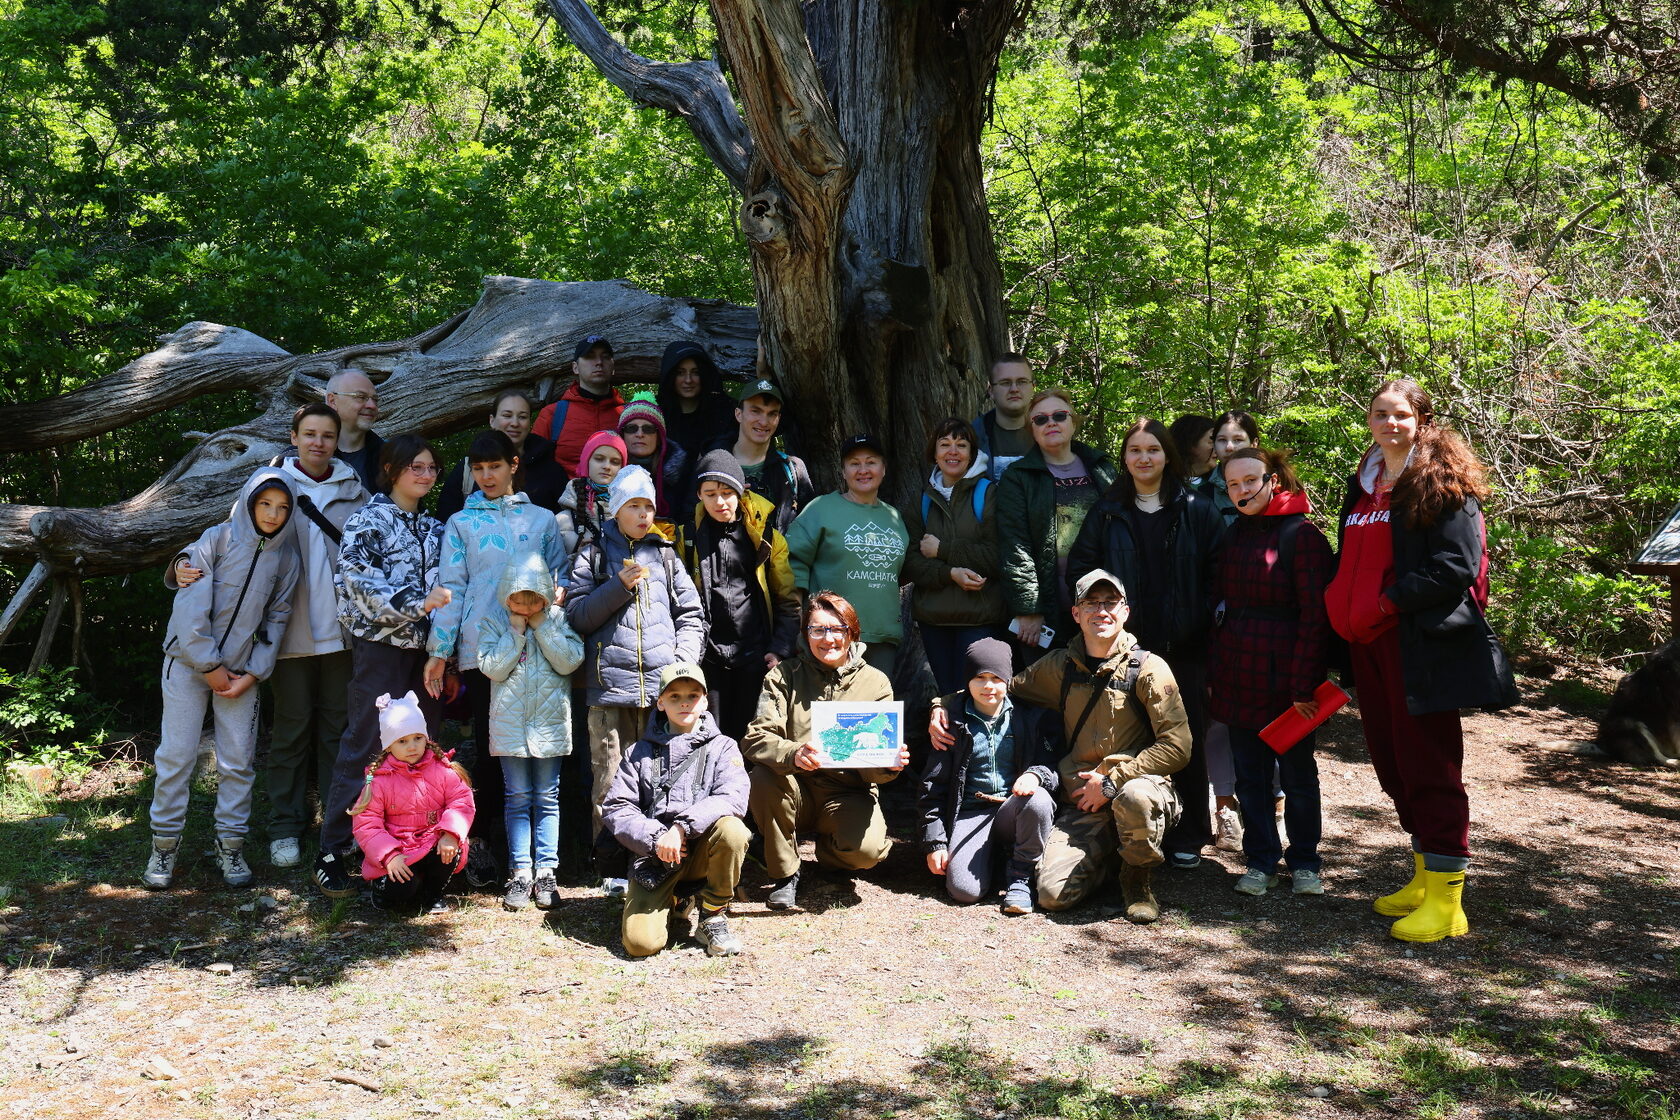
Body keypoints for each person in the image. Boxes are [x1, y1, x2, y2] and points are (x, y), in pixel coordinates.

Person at [1325, 379, 1516, 942]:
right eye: (1380, 413)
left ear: (1422, 420)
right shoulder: (1363, 487)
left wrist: (1388, 601)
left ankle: (1448, 900)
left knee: (1429, 763)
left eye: (1401, 414)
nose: (1390, 423)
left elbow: (1455, 564)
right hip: (1367, 647)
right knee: (1390, 761)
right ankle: (1423, 875)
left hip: (1417, 644)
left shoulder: (1441, 484)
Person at [930, 570, 1190, 923]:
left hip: (1136, 785)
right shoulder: (1059, 666)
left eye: (1110, 603)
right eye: (1091, 603)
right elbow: (999, 687)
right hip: (1083, 800)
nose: (1102, 611)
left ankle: (1137, 880)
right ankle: (1112, 855)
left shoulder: (1147, 668)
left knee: (1135, 798)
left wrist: (1113, 779)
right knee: (1053, 895)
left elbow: (1177, 746)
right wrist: (941, 705)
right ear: (1076, 613)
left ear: (1125, 611)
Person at [1068, 417, 1223, 871]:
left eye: (1152, 449)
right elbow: (1081, 569)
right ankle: (1132, 832)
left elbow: (1220, 572)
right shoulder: (1107, 510)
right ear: (1125, 459)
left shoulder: (1197, 507)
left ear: (1167, 456)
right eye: (1134, 450)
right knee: (1129, 741)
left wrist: (1202, 622)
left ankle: (1190, 833)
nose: (1144, 458)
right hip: (1126, 651)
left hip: (1185, 649)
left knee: (1183, 739)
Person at [425, 429, 568, 887]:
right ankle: (487, 851)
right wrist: (440, 652)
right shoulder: (460, 524)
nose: (487, 475)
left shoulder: (543, 520)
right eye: (478, 468)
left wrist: (549, 620)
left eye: (495, 466)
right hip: (484, 650)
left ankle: (538, 861)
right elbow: (451, 588)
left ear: (513, 465)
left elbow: (561, 582)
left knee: (538, 745)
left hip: (538, 650)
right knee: (491, 751)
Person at [143, 471, 300, 890]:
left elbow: (277, 618)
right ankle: (164, 844)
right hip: (187, 667)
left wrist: (253, 673)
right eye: (265, 504)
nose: (273, 514)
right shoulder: (218, 539)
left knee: (238, 762)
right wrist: (208, 666)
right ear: (249, 502)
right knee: (176, 756)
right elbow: (189, 606)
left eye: (283, 507)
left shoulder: (286, 559)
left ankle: (230, 845)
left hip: (239, 677)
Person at [315, 435, 451, 899]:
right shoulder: (368, 520)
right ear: (392, 470)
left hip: (427, 655)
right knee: (366, 745)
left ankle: (417, 847)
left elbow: (450, 591)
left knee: (424, 747)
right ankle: (333, 849)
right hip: (380, 649)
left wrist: (441, 648)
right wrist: (415, 604)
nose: (425, 475)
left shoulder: (436, 528)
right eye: (416, 466)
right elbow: (355, 583)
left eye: (432, 467)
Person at [564, 465, 705, 893]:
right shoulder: (592, 553)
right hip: (609, 691)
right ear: (616, 509)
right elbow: (576, 615)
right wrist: (618, 587)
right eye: (634, 506)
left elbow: (692, 616)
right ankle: (611, 868)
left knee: (664, 779)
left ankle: (658, 864)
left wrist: (679, 668)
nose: (644, 514)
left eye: (648, 505)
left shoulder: (665, 553)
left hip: (662, 693)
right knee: (610, 780)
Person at [1209, 447, 1334, 897]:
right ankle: (1260, 860)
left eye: (1250, 480)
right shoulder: (1235, 534)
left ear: (1273, 480)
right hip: (1239, 675)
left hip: (1288, 683)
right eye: (1233, 484)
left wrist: (1304, 683)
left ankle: (1305, 862)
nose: (1242, 491)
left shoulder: (1302, 537)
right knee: (1250, 776)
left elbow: (1315, 618)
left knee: (1298, 776)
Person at [742, 592, 909, 911]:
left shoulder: (875, 683)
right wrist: (793, 753)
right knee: (762, 777)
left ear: (852, 634)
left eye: (837, 629)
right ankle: (786, 873)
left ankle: (831, 858)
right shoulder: (784, 675)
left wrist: (890, 764)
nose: (827, 638)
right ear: (805, 634)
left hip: (846, 791)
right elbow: (755, 738)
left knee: (867, 853)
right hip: (794, 785)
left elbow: (877, 764)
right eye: (817, 630)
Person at [266, 404, 368, 874]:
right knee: (290, 731)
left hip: (343, 637)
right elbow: (234, 544)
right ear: (294, 437)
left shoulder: (356, 492)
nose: (318, 443)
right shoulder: (267, 487)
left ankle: (336, 826)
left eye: (327, 436)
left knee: (337, 733)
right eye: (309, 434)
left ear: (336, 439)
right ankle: (284, 826)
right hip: (287, 634)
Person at [602, 662, 751, 957]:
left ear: (705, 700)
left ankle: (712, 915)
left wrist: (681, 827)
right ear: (660, 703)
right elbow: (617, 807)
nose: (684, 702)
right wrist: (656, 837)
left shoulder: (724, 747)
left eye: (693, 695)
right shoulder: (638, 752)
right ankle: (676, 902)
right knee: (640, 945)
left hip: (702, 853)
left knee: (733, 830)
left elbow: (732, 797)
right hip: (656, 860)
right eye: (674, 696)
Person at [477, 552, 586, 912]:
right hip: (510, 728)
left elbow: (570, 660)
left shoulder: (556, 619)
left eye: (532, 597)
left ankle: (547, 872)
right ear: (506, 594)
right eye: (518, 597)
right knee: (518, 797)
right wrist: (516, 633)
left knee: (547, 796)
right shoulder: (495, 622)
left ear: (544, 593)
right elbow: (492, 668)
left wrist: (542, 626)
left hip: (550, 725)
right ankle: (521, 871)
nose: (525, 605)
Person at [919, 638, 1059, 913]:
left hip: (1013, 808)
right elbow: (931, 786)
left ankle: (1020, 876)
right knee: (964, 891)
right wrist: (934, 843)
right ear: (967, 681)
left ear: (1008, 680)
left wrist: (1035, 774)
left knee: (1039, 799)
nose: (988, 686)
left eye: (996, 678)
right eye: (979, 678)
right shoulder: (952, 722)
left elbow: (1051, 764)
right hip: (971, 813)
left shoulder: (1028, 716)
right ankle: (993, 860)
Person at [675, 450, 801, 741]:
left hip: (754, 654)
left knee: (753, 738)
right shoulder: (686, 539)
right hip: (707, 656)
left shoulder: (766, 538)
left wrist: (780, 647)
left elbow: (787, 598)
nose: (719, 502)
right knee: (708, 738)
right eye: (710, 494)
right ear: (699, 496)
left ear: (742, 490)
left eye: (727, 492)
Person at [994, 388, 1117, 658]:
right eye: (1040, 419)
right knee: (1048, 690)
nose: (1051, 422)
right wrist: (1029, 608)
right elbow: (1015, 546)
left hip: (1102, 601)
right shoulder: (1019, 477)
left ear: (1073, 422)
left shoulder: (1103, 468)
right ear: (1032, 429)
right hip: (1047, 606)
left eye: (1059, 416)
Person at [784, 434, 910, 676]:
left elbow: (902, 572)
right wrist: (799, 625)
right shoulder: (821, 509)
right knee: (828, 713)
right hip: (831, 636)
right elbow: (792, 568)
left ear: (883, 469)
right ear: (843, 471)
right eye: (854, 463)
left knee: (876, 713)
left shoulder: (894, 518)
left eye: (871, 462)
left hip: (882, 637)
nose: (863, 469)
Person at [1194, 408, 1263, 847]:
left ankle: (1272, 803)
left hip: (1266, 619)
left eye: (1238, 439)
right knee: (1217, 716)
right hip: (1215, 616)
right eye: (1221, 440)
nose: (1229, 447)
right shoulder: (1197, 496)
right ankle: (1225, 808)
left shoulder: (1274, 490)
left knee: (1269, 712)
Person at [902, 417, 1007, 694]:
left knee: (978, 699)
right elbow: (911, 562)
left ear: (973, 453)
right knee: (949, 698)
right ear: (934, 452)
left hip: (981, 619)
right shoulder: (921, 501)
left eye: (961, 445)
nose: (953, 451)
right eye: (945, 444)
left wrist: (943, 550)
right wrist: (950, 573)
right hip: (934, 622)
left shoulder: (989, 495)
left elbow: (998, 556)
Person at [350, 691, 475, 914]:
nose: (412, 747)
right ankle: (384, 892)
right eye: (402, 741)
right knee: (403, 888)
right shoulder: (380, 780)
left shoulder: (441, 770)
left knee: (449, 852)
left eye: (418, 738)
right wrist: (389, 854)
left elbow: (461, 801)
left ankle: (432, 893)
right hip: (398, 851)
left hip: (430, 843)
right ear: (389, 745)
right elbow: (367, 824)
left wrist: (450, 833)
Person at [693, 378, 814, 534]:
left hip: (781, 557)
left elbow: (810, 527)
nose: (764, 422)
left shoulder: (792, 469)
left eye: (772, 414)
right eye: (755, 411)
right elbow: (690, 520)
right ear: (738, 414)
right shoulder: (710, 465)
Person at [437, 390, 564, 520]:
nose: (515, 423)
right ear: (492, 421)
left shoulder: (550, 470)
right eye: (507, 415)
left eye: (522, 417)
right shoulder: (466, 470)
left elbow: (562, 527)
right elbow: (445, 525)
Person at [533, 334, 627, 477]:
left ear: (613, 366)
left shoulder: (628, 417)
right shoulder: (552, 415)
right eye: (590, 356)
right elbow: (533, 468)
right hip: (562, 497)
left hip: (618, 497)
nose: (599, 362)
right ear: (575, 367)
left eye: (605, 356)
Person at [554, 430, 627, 577]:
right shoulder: (561, 520)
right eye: (599, 459)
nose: (607, 466)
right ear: (586, 461)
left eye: (615, 462)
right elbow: (554, 572)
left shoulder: (631, 515)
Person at [657, 341, 737, 462]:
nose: (688, 380)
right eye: (680, 373)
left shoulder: (725, 413)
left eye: (696, 372)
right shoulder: (656, 415)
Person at [617, 400, 689, 521]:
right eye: (631, 428)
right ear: (622, 434)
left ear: (659, 437)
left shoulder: (681, 474)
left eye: (648, 429)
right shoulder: (608, 471)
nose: (639, 434)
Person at [972, 353, 1035, 481]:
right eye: (1005, 383)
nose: (1014, 389)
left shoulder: (1051, 431)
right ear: (991, 391)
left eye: (1022, 382)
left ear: (1033, 387)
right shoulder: (971, 437)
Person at [325, 372, 385, 493]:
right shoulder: (299, 458)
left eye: (375, 399)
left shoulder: (392, 457)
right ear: (332, 401)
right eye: (360, 397)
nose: (372, 405)